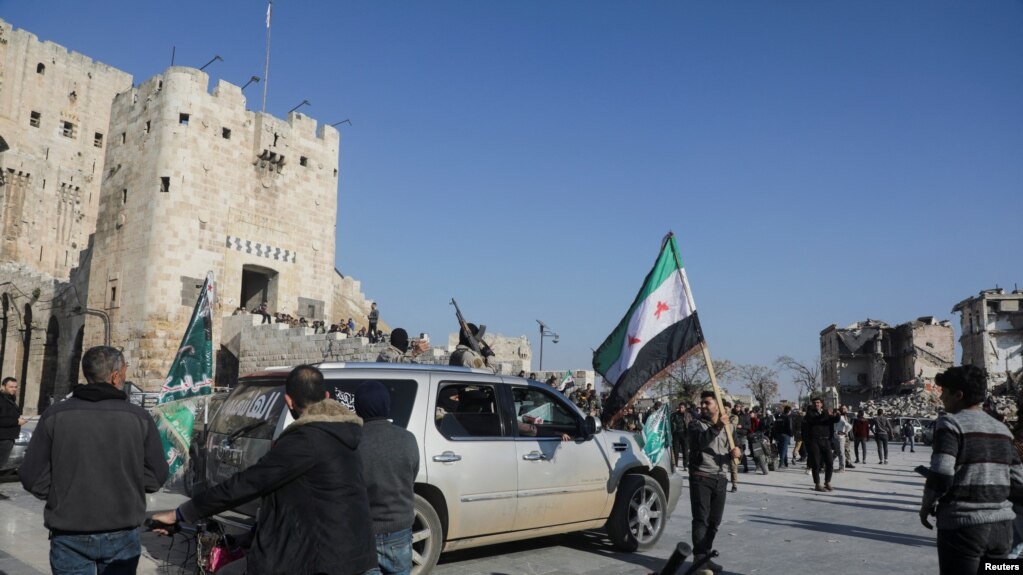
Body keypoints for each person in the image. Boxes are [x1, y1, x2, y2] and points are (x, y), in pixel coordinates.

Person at [151, 365, 377, 575]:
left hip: (323, 560)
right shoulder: (342, 435)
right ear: (327, 397)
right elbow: (300, 504)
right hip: (351, 553)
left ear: (288, 402)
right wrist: (249, 537)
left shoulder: (306, 440)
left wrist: (181, 513)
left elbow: (248, 483)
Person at [20, 347, 169, 574]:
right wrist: (129, 488)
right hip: (121, 530)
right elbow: (156, 475)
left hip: (69, 529)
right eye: (125, 370)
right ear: (115, 376)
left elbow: (32, 475)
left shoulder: (55, 415)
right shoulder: (139, 418)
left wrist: (62, 496)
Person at [920, 365, 1023, 574]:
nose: (941, 397)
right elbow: (1018, 479)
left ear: (958, 395)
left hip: (963, 528)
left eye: (944, 392)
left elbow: (941, 473)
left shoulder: (950, 424)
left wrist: (926, 506)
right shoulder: (1003, 430)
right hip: (1001, 531)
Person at [354, 381, 420, 575]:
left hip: (364, 531)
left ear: (358, 408)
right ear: (387, 405)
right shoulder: (407, 438)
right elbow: (411, 476)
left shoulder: (352, 442)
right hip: (399, 528)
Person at [688, 391, 742, 573]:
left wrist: (736, 453)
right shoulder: (696, 425)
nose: (703, 406)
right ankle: (699, 560)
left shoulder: (729, 428)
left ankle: (706, 555)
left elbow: (732, 448)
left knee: (714, 521)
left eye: (707, 403)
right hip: (701, 476)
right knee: (701, 519)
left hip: (721, 477)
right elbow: (699, 443)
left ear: (717, 406)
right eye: (702, 403)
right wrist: (717, 426)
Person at [803, 397, 839, 492]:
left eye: (818, 403)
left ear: (821, 404)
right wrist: (826, 413)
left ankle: (827, 482)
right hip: (814, 441)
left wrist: (837, 414)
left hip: (826, 440)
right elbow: (817, 420)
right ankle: (817, 484)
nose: (816, 404)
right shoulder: (810, 413)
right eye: (815, 403)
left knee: (830, 462)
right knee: (816, 463)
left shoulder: (825, 413)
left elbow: (835, 420)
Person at [0, 377, 27, 488]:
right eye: (11, 387)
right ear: (3, 387)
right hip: (3, 438)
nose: (14, 389)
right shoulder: (2, 399)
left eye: (15, 387)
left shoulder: (10, 398)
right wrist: (16, 421)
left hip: (8, 437)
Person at [670, 402, 693, 469]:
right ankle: (675, 464)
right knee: (675, 450)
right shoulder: (674, 415)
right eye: (680, 407)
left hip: (685, 434)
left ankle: (685, 465)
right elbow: (671, 424)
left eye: (682, 407)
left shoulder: (688, 415)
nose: (680, 409)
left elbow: (691, 423)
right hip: (676, 434)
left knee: (685, 450)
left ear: (685, 408)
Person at [832, 406, 852, 472]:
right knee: (837, 452)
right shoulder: (835, 419)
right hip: (835, 437)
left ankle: (842, 468)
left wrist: (844, 432)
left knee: (841, 453)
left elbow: (849, 426)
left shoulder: (841, 418)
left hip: (840, 437)